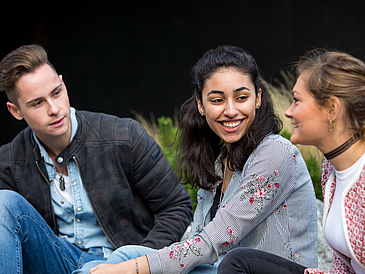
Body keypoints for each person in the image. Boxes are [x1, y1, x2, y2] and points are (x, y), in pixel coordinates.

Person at [85, 45, 318, 274]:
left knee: (124, 264)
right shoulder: (219, 162)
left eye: (241, 97)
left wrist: (132, 269)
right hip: (219, 270)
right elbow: (196, 243)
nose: (230, 110)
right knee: (123, 256)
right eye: (217, 100)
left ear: (258, 98)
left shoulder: (275, 152)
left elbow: (210, 243)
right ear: (201, 105)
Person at [0, 44, 193, 273]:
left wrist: (138, 265)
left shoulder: (123, 136)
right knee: (3, 204)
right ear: (15, 111)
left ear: (63, 83)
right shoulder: (9, 162)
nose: (54, 109)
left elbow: (176, 206)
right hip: (57, 261)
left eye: (56, 93)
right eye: (37, 103)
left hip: (122, 261)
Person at [217, 49, 365, 274]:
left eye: (297, 100)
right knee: (239, 262)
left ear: (331, 109)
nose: (288, 112)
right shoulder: (331, 169)